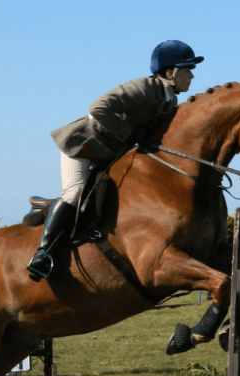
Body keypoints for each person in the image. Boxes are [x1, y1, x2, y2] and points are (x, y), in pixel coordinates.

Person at [26, 40, 204, 281]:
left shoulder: (170, 101)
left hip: (111, 153)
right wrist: (129, 134)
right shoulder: (143, 88)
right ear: (170, 72)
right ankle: (43, 255)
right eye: (187, 69)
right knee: (75, 193)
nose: (192, 76)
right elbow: (98, 108)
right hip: (83, 144)